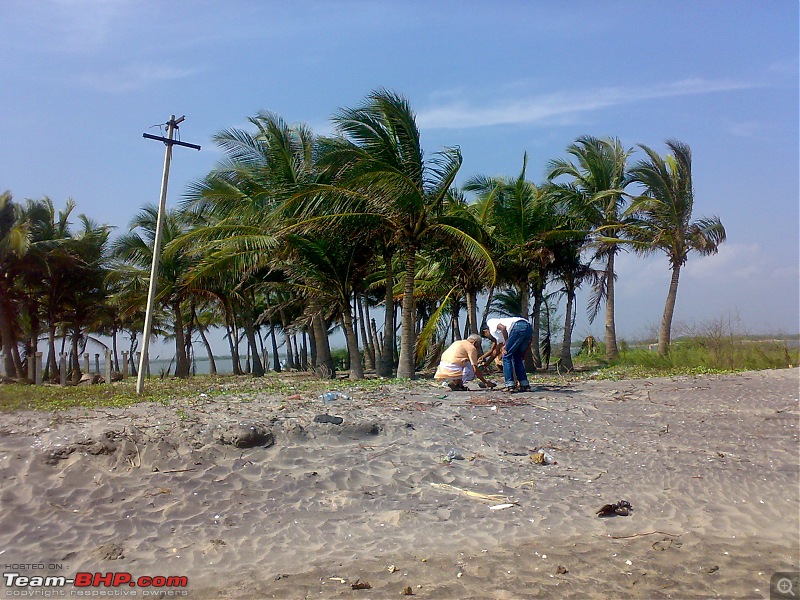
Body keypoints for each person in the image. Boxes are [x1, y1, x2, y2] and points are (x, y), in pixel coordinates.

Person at [481, 317, 533, 392]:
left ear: (485, 331)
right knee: (516, 357)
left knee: (506, 357)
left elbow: (503, 328)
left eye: (487, 336)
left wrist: (506, 343)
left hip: (518, 326)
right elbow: (496, 351)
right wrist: (486, 363)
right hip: (528, 327)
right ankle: (524, 384)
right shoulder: (499, 335)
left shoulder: (490, 322)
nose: (490, 338)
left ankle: (510, 385)